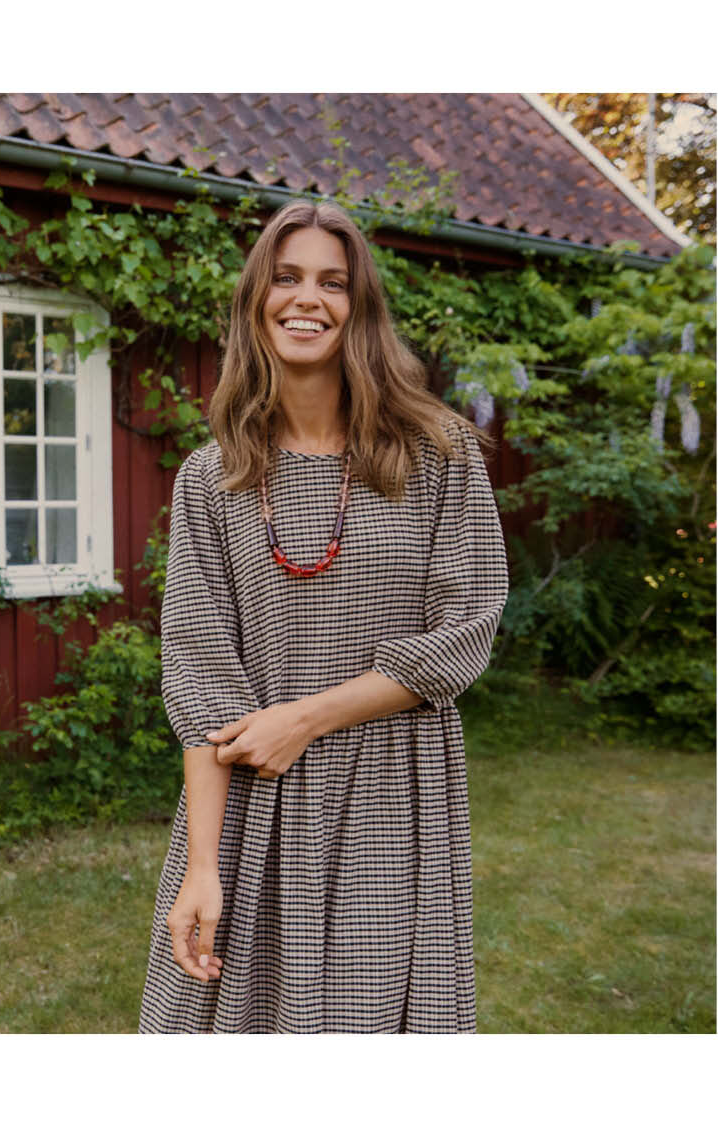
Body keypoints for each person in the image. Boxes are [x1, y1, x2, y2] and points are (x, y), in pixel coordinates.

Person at [137, 199, 508, 1034]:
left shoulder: (438, 455)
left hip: (393, 797)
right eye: (287, 277)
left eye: (332, 282)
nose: (307, 298)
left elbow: (465, 629)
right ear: (256, 300)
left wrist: (303, 719)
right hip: (254, 802)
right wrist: (203, 865)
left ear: (359, 306)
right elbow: (200, 682)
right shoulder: (212, 479)